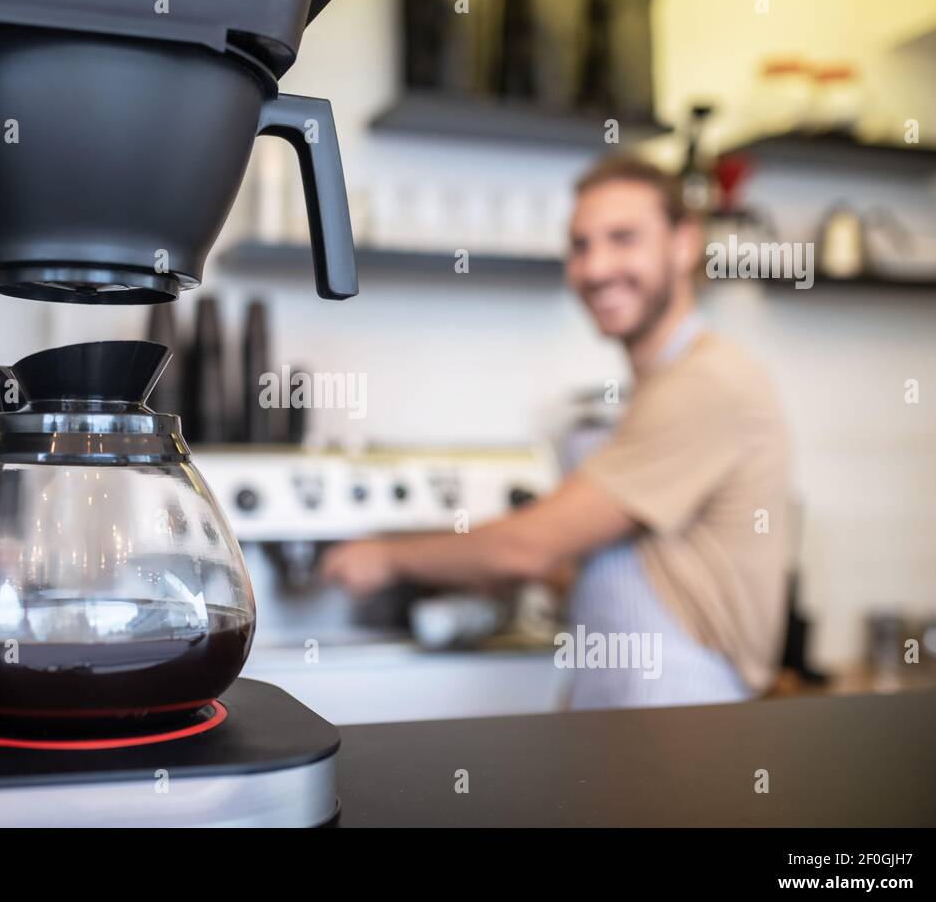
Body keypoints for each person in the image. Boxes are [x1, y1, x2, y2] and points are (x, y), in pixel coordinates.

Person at [319, 156, 793, 709]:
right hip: (624, 709)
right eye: (580, 245)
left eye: (623, 238)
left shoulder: (706, 382)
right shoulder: (659, 388)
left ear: (684, 245)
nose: (595, 268)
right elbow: (607, 563)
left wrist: (386, 556)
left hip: (683, 715)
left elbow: (531, 547)